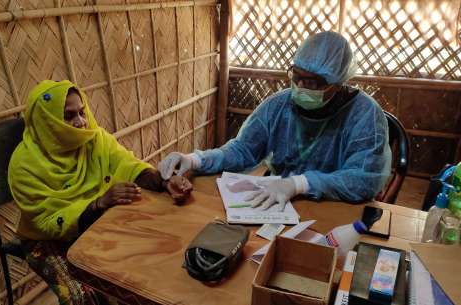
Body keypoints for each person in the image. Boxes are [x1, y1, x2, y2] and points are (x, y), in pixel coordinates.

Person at [158, 31, 391, 211]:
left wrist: (299, 184)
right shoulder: (279, 106)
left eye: (312, 83)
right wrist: (195, 159)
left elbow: (363, 180)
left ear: (338, 82)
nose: (300, 87)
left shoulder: (364, 115)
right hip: (279, 203)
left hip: (338, 209)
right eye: (297, 77)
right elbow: (242, 150)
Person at [9, 80, 192, 305]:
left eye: (82, 112)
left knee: (140, 265)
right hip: (47, 239)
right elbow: (44, 221)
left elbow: (126, 163)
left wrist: (163, 182)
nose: (81, 122)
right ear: (47, 122)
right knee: (83, 297)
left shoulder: (94, 138)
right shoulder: (24, 165)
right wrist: (97, 204)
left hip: (97, 221)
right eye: (69, 116)